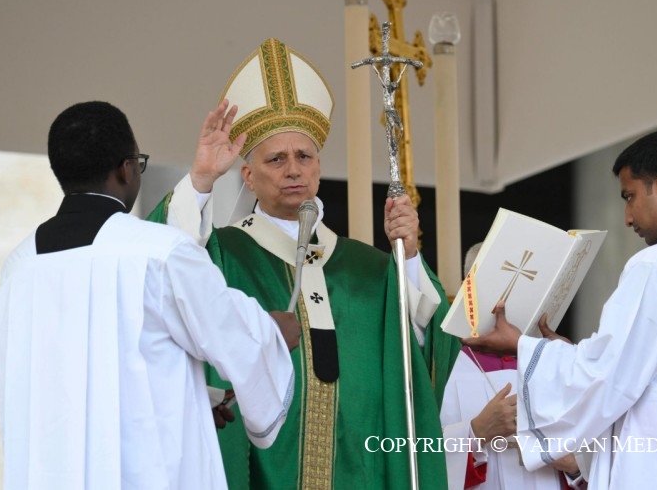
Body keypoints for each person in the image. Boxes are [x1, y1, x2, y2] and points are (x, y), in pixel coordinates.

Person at [147, 37, 461, 489]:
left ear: (318, 167)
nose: (293, 169)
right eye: (276, 159)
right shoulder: (223, 256)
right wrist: (200, 179)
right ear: (248, 176)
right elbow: (163, 264)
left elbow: (424, 354)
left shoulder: (369, 268)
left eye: (304, 156)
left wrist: (408, 256)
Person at [0, 101, 300, 490]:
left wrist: (195, 397)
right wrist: (274, 331)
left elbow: (71, 379)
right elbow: (235, 339)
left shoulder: (20, 265)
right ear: (126, 169)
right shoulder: (158, 252)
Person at [463, 129, 657, 489]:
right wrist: (572, 355)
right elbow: (651, 372)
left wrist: (523, 346)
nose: (627, 217)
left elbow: (606, 377)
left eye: (630, 196)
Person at [440, 243, 586, 489]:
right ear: (467, 290)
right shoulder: (442, 367)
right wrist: (475, 433)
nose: (504, 302)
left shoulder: (558, 361)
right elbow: (416, 455)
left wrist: (575, 467)